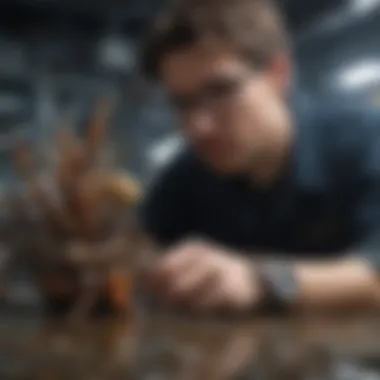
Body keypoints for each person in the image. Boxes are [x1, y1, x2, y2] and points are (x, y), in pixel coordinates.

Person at [139, 0, 380, 314]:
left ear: (278, 73)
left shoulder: (365, 142)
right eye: (183, 104)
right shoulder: (188, 174)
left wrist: (264, 281)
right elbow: (140, 245)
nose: (199, 127)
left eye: (221, 91)